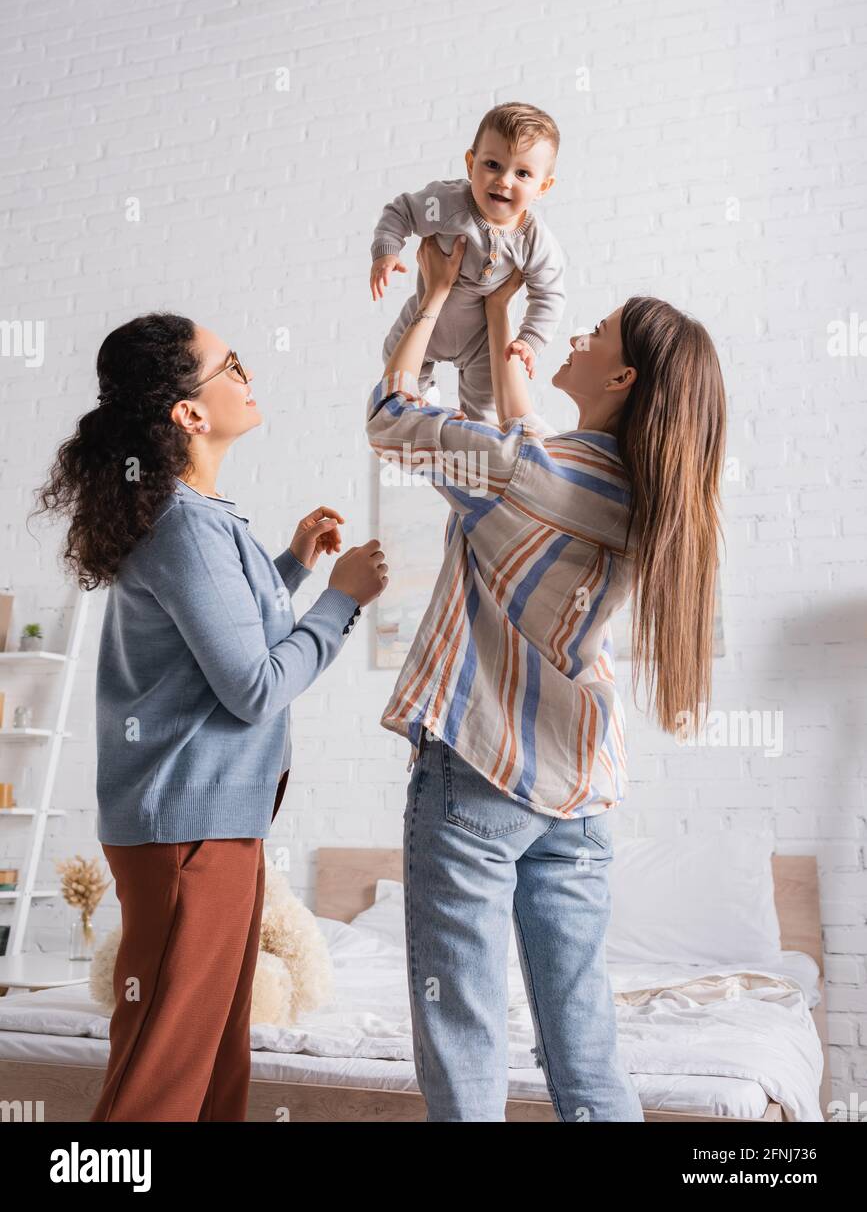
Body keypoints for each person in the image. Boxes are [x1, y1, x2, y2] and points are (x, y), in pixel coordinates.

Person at [365, 235, 726, 1121]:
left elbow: (388, 416)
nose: (574, 335)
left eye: (594, 332)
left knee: (466, 1030)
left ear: (623, 380)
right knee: (582, 1031)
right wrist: (495, 315)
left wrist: (429, 301)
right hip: (577, 791)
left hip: (478, 777)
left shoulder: (521, 471)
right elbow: (527, 431)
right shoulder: (646, 505)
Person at [31, 313, 388, 1121]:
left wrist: (294, 564)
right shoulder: (186, 525)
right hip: (188, 829)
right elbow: (255, 685)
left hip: (207, 824)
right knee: (166, 1069)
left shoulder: (195, 516)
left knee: (212, 1065)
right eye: (231, 365)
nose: (248, 375)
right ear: (188, 414)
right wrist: (340, 603)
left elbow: (220, 635)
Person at [370, 101, 566, 426]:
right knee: (396, 368)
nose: (504, 180)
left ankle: (470, 443)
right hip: (426, 319)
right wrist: (387, 252)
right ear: (470, 163)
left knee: (485, 415)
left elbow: (549, 294)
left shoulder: (535, 240)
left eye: (522, 173)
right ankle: (429, 404)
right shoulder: (447, 204)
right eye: (492, 164)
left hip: (482, 340)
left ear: (542, 187)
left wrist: (529, 340)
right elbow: (401, 211)